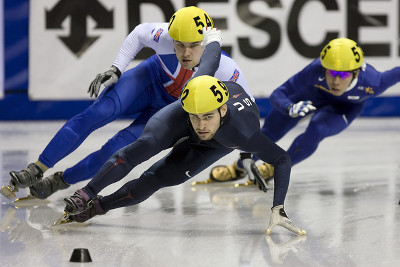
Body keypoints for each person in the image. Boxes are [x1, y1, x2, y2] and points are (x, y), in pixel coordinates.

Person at [55, 37, 306, 236]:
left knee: (156, 178)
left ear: (223, 109)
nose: (200, 126)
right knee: (144, 145)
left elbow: (282, 159)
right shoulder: (198, 89)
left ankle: (100, 207)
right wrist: (212, 36)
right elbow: (211, 53)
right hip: (179, 114)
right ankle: (87, 194)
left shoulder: (242, 131)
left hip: (216, 144)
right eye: (196, 118)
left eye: (207, 117)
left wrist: (278, 208)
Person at [0, 6, 253, 200]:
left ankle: (58, 181)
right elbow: (139, 33)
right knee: (98, 113)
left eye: (194, 46)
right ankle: (37, 167)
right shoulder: (164, 35)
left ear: (207, 43)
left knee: (114, 151)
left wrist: (246, 153)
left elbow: (247, 104)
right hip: (148, 80)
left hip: (169, 110)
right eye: (179, 45)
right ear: (171, 38)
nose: (186, 53)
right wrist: (116, 69)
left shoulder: (225, 67)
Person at [203, 37, 400, 186]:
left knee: (317, 129)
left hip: (344, 107)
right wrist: (289, 106)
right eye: (331, 72)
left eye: (343, 75)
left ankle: (273, 169)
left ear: (356, 73)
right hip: (309, 97)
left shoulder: (374, 83)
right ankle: (238, 168)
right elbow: (278, 94)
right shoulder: (315, 70)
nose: (336, 81)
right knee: (269, 132)